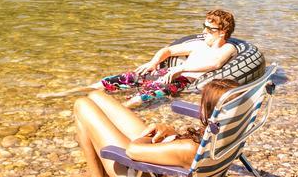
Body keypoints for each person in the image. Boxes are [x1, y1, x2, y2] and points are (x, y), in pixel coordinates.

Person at [71, 78, 240, 177]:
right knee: (96, 96)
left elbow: (132, 151)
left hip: (135, 167)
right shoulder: (230, 131)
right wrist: (169, 132)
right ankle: (97, 174)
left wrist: (152, 135)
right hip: (165, 152)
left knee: (82, 104)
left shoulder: (189, 147)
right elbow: (179, 153)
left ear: (208, 110)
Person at [95, 10, 239, 108]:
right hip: (167, 72)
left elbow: (215, 63)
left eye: (209, 29)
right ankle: (75, 92)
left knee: (139, 98)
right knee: (115, 80)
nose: (203, 32)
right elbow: (168, 50)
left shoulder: (228, 48)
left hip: (181, 80)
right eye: (204, 27)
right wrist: (154, 62)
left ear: (222, 32)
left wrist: (182, 68)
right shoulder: (198, 44)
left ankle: (114, 112)